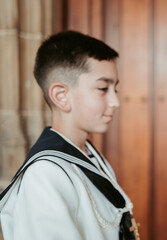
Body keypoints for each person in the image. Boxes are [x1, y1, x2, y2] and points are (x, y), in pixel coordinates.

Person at [0, 31, 140, 240]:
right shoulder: (44, 175)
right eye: (103, 88)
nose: (115, 101)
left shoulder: (87, 154)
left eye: (115, 88)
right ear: (61, 96)